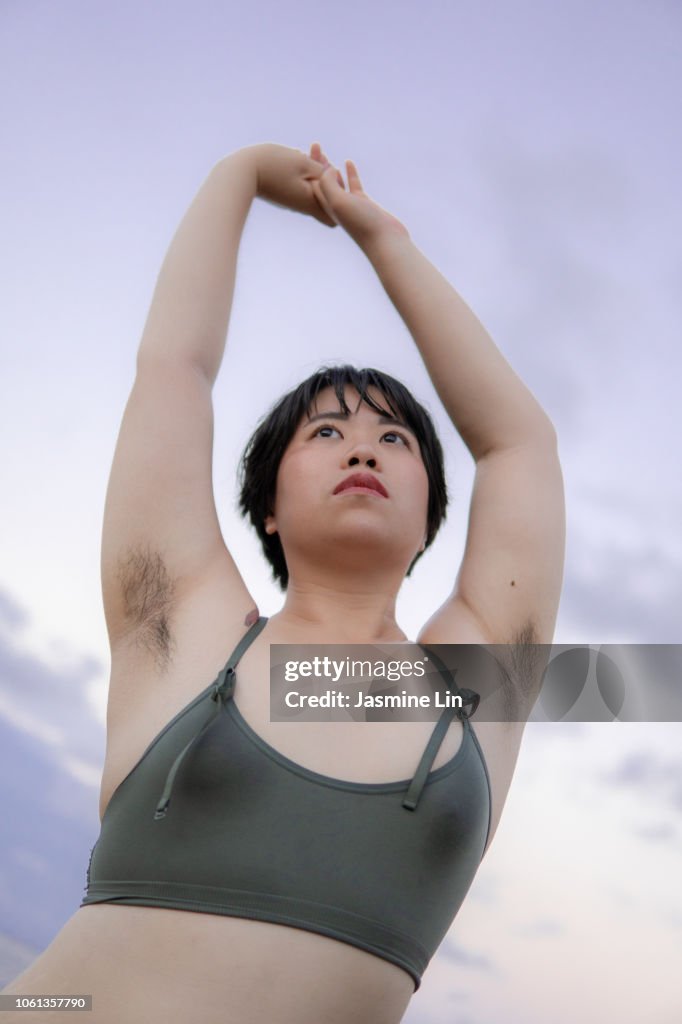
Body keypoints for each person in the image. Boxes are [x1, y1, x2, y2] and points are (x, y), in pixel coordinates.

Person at [1, 142, 565, 1023]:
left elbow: (518, 443)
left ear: (430, 521)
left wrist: (385, 240)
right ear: (267, 506)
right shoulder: (184, 625)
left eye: (396, 439)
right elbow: (173, 369)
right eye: (326, 434)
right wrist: (242, 174)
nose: (364, 447)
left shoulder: (476, 684)